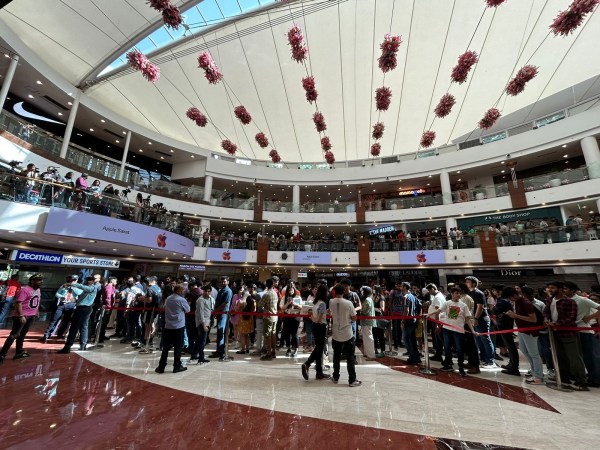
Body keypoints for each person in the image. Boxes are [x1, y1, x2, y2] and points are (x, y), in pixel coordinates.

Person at [543, 281, 588, 391]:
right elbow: (546, 312)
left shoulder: (569, 302)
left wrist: (558, 323)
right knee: (560, 357)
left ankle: (581, 381)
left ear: (560, 289)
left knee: (574, 357)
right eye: (549, 287)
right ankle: (564, 378)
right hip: (554, 333)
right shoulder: (550, 300)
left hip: (568, 333)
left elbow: (571, 318)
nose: (550, 290)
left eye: (552, 288)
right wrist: (546, 319)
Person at [426, 286, 476, 376]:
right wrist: (429, 314)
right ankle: (448, 365)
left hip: (458, 331)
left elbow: (467, 319)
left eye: (459, 293)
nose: (458, 295)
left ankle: (461, 367)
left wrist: (473, 331)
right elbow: (439, 310)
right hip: (447, 329)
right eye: (456, 293)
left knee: (459, 349)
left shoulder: (463, 305)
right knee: (447, 347)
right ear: (452, 294)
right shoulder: (447, 303)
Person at [504, 286, 544, 385]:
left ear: (514, 295)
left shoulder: (525, 303)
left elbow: (533, 319)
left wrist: (515, 316)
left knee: (534, 354)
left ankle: (538, 376)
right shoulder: (518, 302)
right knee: (524, 350)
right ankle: (534, 371)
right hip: (522, 330)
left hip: (530, 331)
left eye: (510, 298)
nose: (510, 300)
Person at [0, 274, 43, 364]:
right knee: (14, 335)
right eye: (39, 280)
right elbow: (18, 303)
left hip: (31, 316)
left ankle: (19, 352)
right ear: (32, 281)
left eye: (41, 280)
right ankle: (2, 355)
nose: (41, 282)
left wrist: (37, 311)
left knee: (22, 334)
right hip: (22, 316)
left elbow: (36, 300)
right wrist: (21, 315)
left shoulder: (38, 290)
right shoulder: (25, 290)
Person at [329, 284, 361, 387]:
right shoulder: (349, 303)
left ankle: (335, 376)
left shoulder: (331, 301)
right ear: (344, 292)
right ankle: (352, 379)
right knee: (350, 356)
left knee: (336, 356)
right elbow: (354, 317)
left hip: (336, 333)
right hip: (347, 332)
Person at [57, 276, 97, 353]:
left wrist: (73, 284)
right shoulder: (85, 289)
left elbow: (85, 288)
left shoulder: (92, 288)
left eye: (90, 280)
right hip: (82, 308)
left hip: (84, 309)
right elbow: (80, 294)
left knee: (74, 327)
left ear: (93, 281)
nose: (89, 281)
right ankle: (83, 345)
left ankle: (68, 346)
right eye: (87, 280)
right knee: (83, 327)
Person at [155, 285, 190, 374]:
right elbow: (188, 310)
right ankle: (177, 366)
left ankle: (161, 366)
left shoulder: (168, 298)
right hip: (178, 326)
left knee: (166, 347)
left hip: (168, 325)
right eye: (182, 290)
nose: (183, 291)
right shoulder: (182, 300)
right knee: (178, 347)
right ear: (177, 291)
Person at [301, 284, 330, 380]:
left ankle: (319, 372)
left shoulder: (314, 302)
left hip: (314, 326)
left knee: (318, 348)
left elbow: (311, 315)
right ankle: (307, 363)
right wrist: (319, 318)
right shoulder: (322, 304)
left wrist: (315, 318)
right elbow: (319, 318)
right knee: (319, 349)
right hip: (320, 327)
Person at [465, 276, 495, 367]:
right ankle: (483, 357)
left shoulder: (478, 293)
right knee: (479, 340)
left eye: (468, 282)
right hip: (474, 319)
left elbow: (480, 307)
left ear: (474, 283)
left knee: (485, 339)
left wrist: (476, 318)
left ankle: (490, 360)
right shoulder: (469, 293)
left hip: (481, 319)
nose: (466, 283)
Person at [42, 275, 80, 342]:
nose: (72, 281)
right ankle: (47, 334)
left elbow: (79, 293)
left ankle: (60, 334)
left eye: (74, 280)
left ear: (77, 280)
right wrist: (62, 296)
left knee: (66, 321)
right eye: (72, 280)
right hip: (62, 304)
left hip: (71, 305)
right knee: (54, 319)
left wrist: (73, 286)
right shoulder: (64, 285)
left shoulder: (79, 286)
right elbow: (57, 294)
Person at [492, 289, 520, 376]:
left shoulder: (503, 301)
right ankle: (512, 364)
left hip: (504, 325)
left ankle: (514, 367)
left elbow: (494, 310)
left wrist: (499, 313)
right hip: (507, 325)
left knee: (510, 346)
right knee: (509, 346)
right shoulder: (508, 301)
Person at [210, 276, 232, 360]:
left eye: (225, 281)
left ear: (228, 282)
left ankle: (220, 351)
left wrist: (215, 310)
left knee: (220, 331)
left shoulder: (228, 291)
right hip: (219, 313)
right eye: (222, 281)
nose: (223, 283)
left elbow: (225, 303)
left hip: (223, 314)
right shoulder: (221, 290)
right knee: (219, 332)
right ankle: (218, 349)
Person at [401, 282, 421, 365]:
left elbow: (407, 310)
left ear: (405, 287)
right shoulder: (413, 296)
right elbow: (419, 305)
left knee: (406, 339)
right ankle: (416, 357)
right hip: (414, 320)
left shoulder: (406, 297)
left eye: (401, 286)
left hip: (408, 321)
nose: (400, 287)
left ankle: (412, 357)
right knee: (412, 340)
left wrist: (403, 321)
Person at [259, 278, 279, 361]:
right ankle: (273, 351)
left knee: (267, 335)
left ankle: (269, 354)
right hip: (275, 316)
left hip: (268, 317)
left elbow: (260, 304)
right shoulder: (275, 293)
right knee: (273, 334)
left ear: (267, 285)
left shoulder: (266, 294)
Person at [195, 285, 214, 365]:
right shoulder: (200, 300)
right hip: (202, 323)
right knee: (202, 341)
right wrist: (203, 325)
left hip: (208, 321)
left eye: (208, 291)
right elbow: (201, 313)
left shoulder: (211, 299)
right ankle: (201, 358)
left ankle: (194, 355)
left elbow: (211, 309)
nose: (207, 293)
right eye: (205, 291)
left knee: (201, 340)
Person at [359, 286, 376, 359]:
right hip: (368, 321)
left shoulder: (367, 300)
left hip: (366, 321)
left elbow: (364, 311)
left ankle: (371, 355)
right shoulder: (370, 299)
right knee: (367, 337)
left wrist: (359, 310)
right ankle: (367, 353)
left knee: (368, 337)